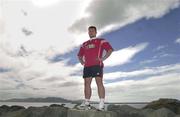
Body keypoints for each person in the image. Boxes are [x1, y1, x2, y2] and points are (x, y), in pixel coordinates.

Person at [77, 26, 113, 110]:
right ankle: (87, 102)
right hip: (87, 66)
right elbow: (79, 55)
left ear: (96, 32)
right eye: (89, 31)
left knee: (99, 83)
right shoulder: (84, 44)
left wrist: (102, 58)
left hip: (97, 65)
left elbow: (110, 50)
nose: (91, 32)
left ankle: (101, 103)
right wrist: (82, 62)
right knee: (86, 84)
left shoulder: (101, 41)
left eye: (92, 31)